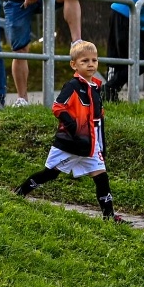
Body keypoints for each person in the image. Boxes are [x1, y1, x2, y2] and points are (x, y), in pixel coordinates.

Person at [14, 41, 119, 221]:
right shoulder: (72, 86)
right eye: (85, 61)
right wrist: (73, 128)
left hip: (91, 144)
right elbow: (58, 107)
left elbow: (98, 118)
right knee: (50, 174)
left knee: (101, 177)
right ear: (74, 65)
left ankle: (109, 217)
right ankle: (19, 192)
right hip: (70, 144)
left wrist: (102, 145)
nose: (90, 64)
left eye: (94, 60)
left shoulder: (95, 88)